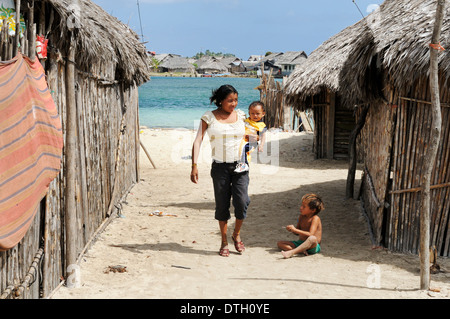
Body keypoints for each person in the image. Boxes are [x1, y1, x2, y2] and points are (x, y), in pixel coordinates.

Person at [190, 84, 250, 257]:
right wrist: (194, 165)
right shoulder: (209, 117)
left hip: (241, 165)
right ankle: (224, 241)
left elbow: (248, 135)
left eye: (236, 100)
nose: (234, 104)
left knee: (242, 201)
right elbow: (198, 140)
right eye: (230, 100)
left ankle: (236, 234)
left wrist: (257, 140)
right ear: (220, 101)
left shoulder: (241, 115)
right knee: (222, 205)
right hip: (220, 167)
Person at [277, 194, 324, 258]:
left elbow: (311, 234)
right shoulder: (301, 216)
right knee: (280, 243)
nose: (301, 208)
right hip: (300, 243)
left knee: (312, 238)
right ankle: (300, 250)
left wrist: (295, 230)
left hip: (312, 246)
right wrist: (292, 230)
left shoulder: (315, 218)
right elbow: (297, 232)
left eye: (304, 207)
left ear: (313, 210)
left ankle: (292, 252)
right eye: (301, 205)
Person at [235, 101, 267, 173]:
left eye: (257, 113)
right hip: (243, 140)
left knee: (243, 149)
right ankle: (242, 163)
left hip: (252, 143)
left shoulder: (261, 125)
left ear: (263, 114)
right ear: (249, 113)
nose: (255, 115)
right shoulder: (247, 120)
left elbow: (263, 136)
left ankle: (243, 164)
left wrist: (261, 145)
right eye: (252, 113)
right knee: (239, 150)